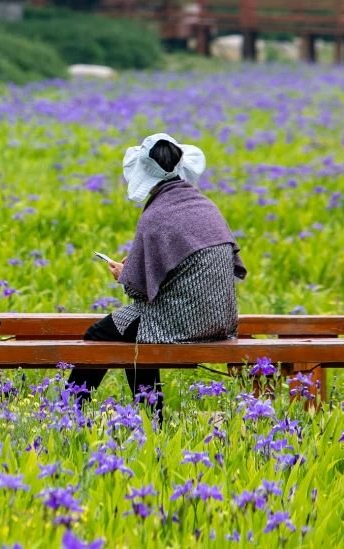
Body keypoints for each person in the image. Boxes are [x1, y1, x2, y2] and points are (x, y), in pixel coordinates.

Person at [69, 133, 247, 421]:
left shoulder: (156, 215)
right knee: (136, 340)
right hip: (220, 319)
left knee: (98, 336)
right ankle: (152, 419)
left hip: (180, 322)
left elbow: (138, 290)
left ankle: (70, 412)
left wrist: (122, 274)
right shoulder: (205, 206)